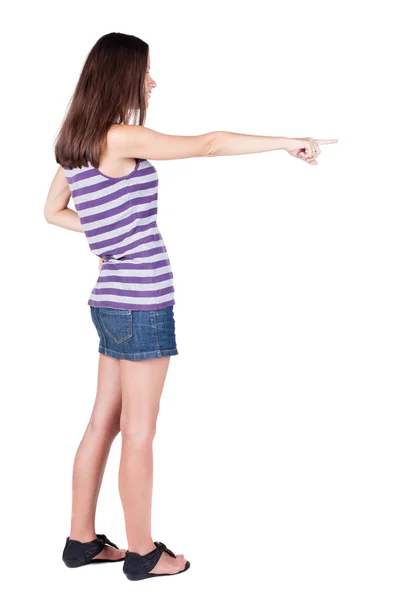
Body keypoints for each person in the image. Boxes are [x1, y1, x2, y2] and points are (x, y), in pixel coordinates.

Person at [43, 31, 338, 582]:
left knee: (101, 424)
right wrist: (285, 141)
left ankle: (80, 542)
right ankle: (142, 553)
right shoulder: (122, 135)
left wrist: (110, 235)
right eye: (146, 71)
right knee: (138, 432)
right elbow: (207, 145)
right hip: (142, 303)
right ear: (121, 75)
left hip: (109, 301)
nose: (152, 81)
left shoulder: (75, 139)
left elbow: (52, 210)